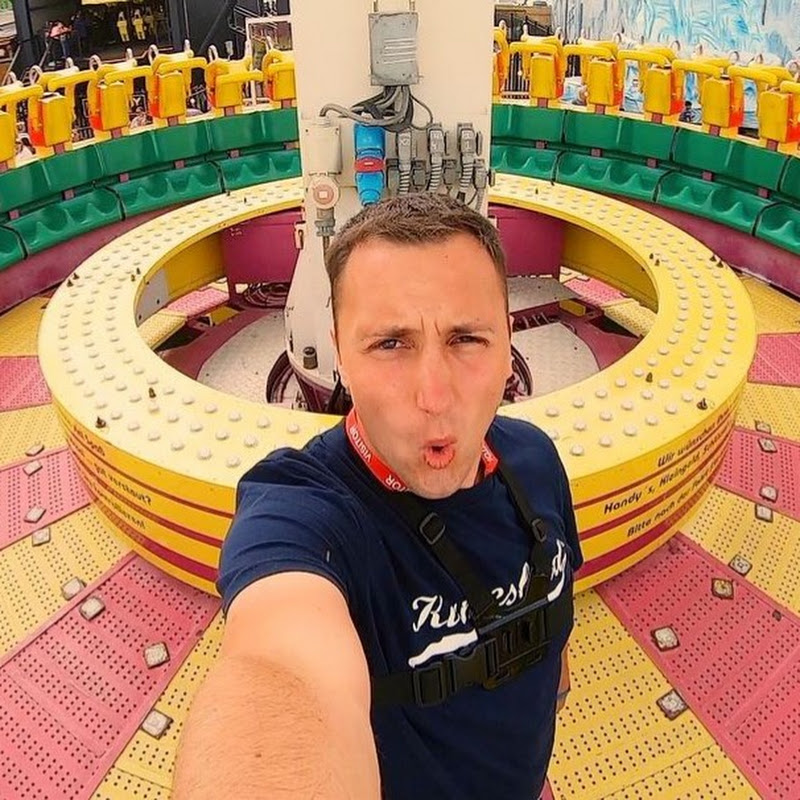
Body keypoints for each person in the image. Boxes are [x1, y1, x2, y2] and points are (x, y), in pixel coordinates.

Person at [173, 194, 583, 800]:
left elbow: (555, 607)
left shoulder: (536, 462)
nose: (434, 396)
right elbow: (278, 670)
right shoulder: (305, 514)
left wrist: (554, 683)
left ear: (508, 344)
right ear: (339, 353)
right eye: (390, 344)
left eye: (468, 338)